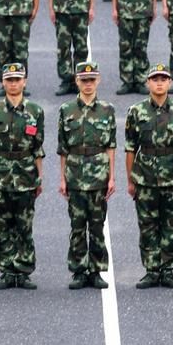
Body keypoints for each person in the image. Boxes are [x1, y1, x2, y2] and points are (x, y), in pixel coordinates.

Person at [125, 61, 173, 289]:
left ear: (170, 83)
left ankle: (168, 269)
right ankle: (151, 270)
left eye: (163, 79)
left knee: (170, 224)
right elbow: (130, 148)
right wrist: (130, 179)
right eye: (155, 79)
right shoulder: (137, 112)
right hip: (145, 177)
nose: (159, 83)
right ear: (148, 83)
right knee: (147, 225)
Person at [0, 63, 44, 289]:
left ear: (24, 81)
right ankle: (7, 270)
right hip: (1, 174)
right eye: (9, 79)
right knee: (2, 225)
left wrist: (40, 178)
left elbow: (38, 148)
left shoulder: (35, 112)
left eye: (17, 79)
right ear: (3, 82)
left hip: (26, 173)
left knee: (24, 225)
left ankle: (24, 270)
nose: (13, 83)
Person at [57, 61, 115, 289]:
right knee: (78, 226)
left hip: (99, 174)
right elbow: (62, 148)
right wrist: (62, 178)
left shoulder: (107, 110)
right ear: (77, 81)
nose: (88, 84)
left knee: (98, 225)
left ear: (98, 80)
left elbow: (111, 145)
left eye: (91, 80)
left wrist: (112, 177)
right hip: (75, 173)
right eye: (84, 80)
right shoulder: (66, 110)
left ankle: (97, 270)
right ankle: (79, 270)